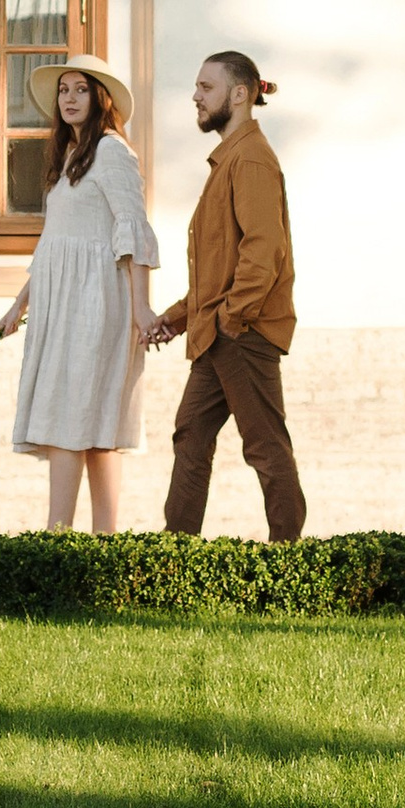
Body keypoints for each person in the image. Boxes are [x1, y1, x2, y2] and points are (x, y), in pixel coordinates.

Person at [0, 54, 159, 531]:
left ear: (99, 98)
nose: (69, 97)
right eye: (63, 90)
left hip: (99, 299)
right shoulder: (68, 158)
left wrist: (142, 307)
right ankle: (103, 540)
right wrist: (18, 305)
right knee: (92, 424)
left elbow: (133, 229)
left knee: (76, 413)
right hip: (62, 302)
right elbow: (55, 245)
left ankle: (57, 536)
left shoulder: (112, 151)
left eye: (80, 89)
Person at [145, 48, 306, 539]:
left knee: (265, 447)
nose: (195, 96)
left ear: (240, 94)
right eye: (197, 87)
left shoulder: (252, 159)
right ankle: (177, 555)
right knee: (191, 436)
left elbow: (265, 249)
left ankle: (290, 561)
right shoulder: (228, 159)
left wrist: (234, 318)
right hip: (216, 332)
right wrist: (179, 318)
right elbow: (219, 265)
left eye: (206, 87)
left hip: (242, 333)